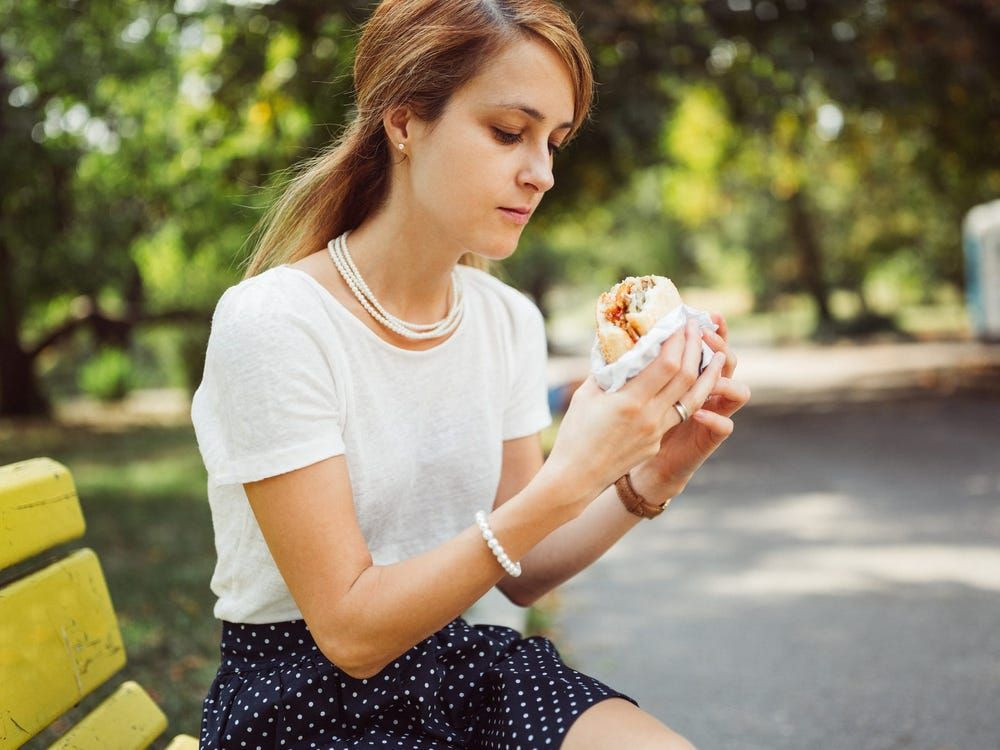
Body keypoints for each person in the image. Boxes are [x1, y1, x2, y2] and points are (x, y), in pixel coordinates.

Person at [190, 0, 750, 748]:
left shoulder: (504, 320)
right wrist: (569, 478)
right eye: (508, 133)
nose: (542, 173)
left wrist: (652, 475)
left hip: (457, 667)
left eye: (554, 142)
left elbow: (521, 569)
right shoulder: (275, 323)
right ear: (403, 123)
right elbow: (350, 634)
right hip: (303, 697)